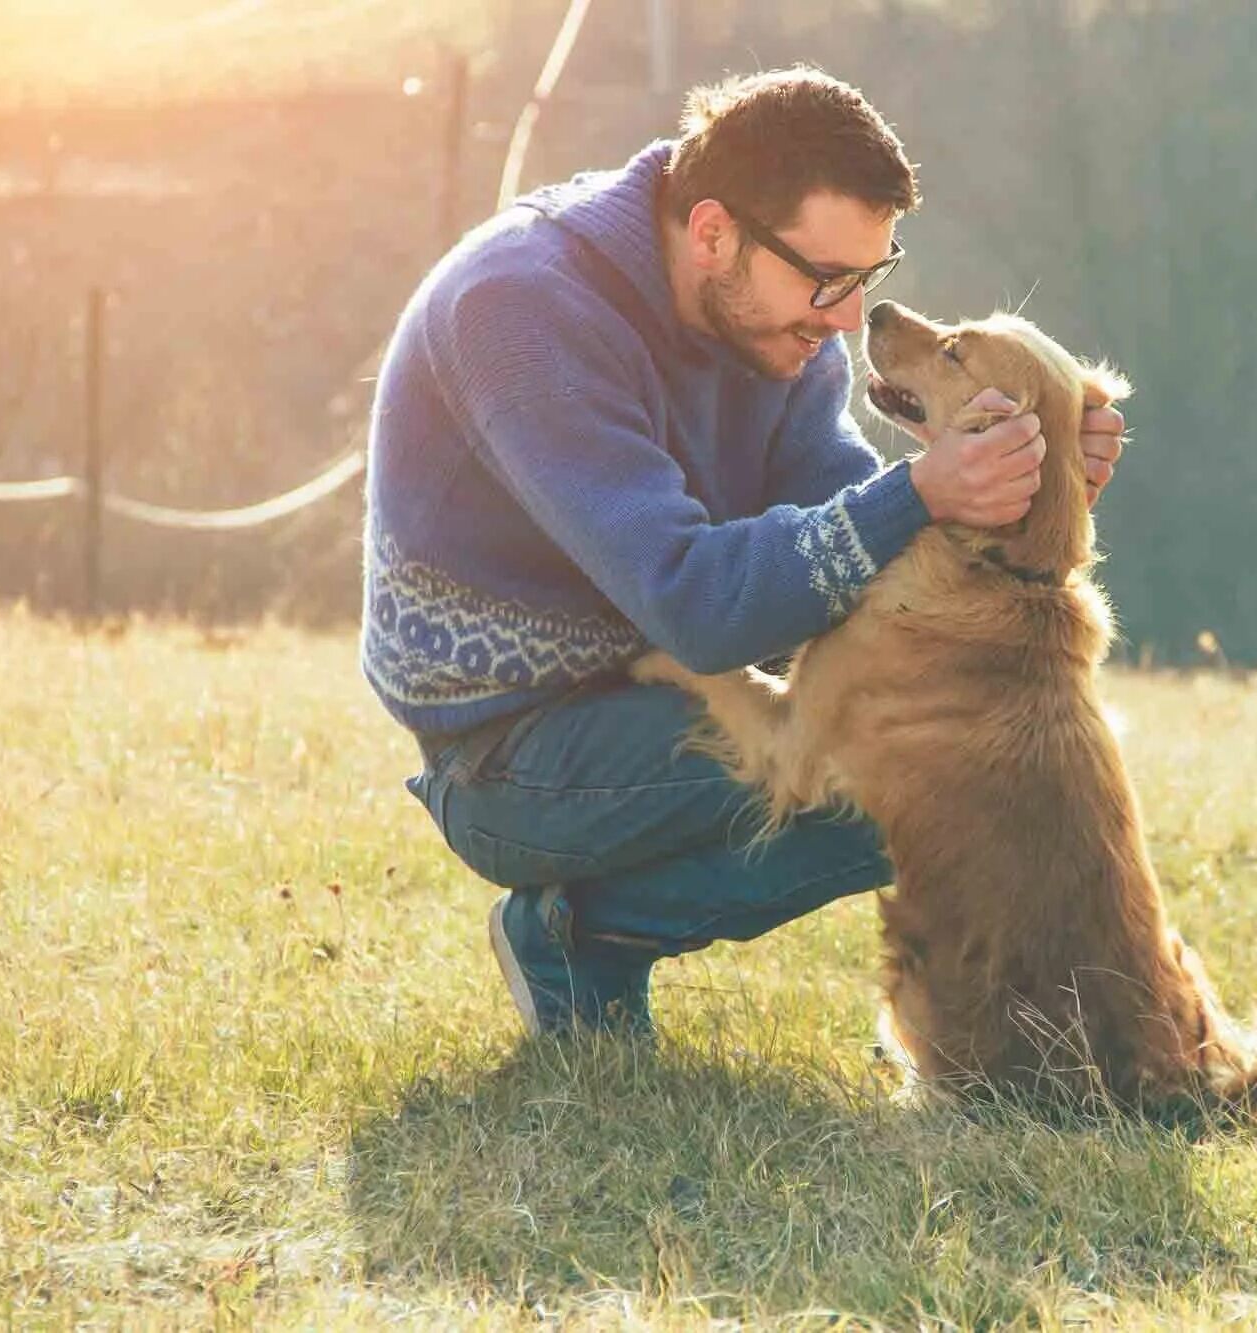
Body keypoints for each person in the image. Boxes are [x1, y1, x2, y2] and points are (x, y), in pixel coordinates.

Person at [361, 67, 1126, 1036]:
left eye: (867, 279)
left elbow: (842, 537)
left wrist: (1026, 489)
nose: (849, 317)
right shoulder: (521, 311)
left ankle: (586, 934)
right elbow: (696, 605)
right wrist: (920, 491)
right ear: (715, 231)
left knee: (959, 759)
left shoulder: (778, 327)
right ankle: (577, 936)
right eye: (826, 280)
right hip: (511, 753)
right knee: (914, 772)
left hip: (658, 688)